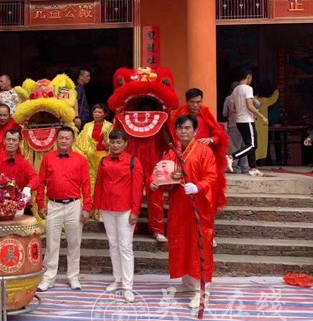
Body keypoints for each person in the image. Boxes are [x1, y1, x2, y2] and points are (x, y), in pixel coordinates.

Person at [150, 115, 219, 309]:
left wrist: (198, 187)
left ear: (195, 131)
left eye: (187, 128)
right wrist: (156, 183)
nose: (183, 131)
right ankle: (188, 282)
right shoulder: (173, 152)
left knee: (198, 245)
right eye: (180, 128)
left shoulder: (205, 151)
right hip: (179, 206)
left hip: (199, 207)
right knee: (181, 243)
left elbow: (212, 177)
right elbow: (163, 174)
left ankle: (202, 289)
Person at [36, 127, 92, 291]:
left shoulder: (81, 160)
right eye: (61, 138)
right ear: (56, 140)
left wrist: (87, 207)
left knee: (74, 242)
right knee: (52, 243)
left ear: (73, 141)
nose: (64, 140)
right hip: (53, 205)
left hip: (74, 205)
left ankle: (73, 277)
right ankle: (48, 277)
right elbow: (41, 182)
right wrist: (40, 203)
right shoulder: (48, 158)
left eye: (67, 138)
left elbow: (86, 185)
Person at [93, 130, 143, 302]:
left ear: (125, 143)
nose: (115, 145)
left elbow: (137, 189)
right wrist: (97, 206)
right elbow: (99, 184)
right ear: (109, 143)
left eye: (119, 142)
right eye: (113, 142)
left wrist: (135, 211)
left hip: (125, 209)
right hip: (107, 208)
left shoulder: (132, 161)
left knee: (126, 247)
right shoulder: (104, 161)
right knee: (113, 244)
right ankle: (118, 279)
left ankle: (128, 286)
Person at [174, 88, 228, 210]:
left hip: (205, 157)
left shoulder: (206, 114)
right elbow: (174, 135)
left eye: (198, 102)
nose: (195, 105)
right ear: (187, 101)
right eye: (192, 102)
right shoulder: (181, 115)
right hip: (187, 157)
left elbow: (219, 134)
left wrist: (211, 140)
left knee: (207, 185)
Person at [0, 129, 39, 213]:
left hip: (18, 206)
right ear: (4, 141)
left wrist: (28, 188)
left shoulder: (23, 162)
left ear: (19, 143)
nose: (11, 142)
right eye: (8, 139)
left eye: (14, 140)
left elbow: (35, 178)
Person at [227, 69, 268, 177]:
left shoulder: (235, 89)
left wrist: (241, 111)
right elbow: (250, 106)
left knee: (249, 144)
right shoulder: (248, 88)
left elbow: (232, 108)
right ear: (248, 77)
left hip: (239, 121)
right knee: (253, 145)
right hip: (247, 121)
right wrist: (262, 117)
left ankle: (253, 168)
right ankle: (231, 157)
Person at [74, 103, 113, 194]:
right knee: (89, 179)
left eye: (100, 112)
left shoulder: (109, 126)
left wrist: (107, 146)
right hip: (89, 157)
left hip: (103, 156)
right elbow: (80, 141)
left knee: (102, 179)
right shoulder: (87, 125)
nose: (97, 114)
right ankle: (89, 203)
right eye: (95, 112)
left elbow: (113, 143)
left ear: (105, 114)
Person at [222, 82, 249, 173]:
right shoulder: (247, 97)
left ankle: (234, 167)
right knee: (244, 147)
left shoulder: (229, 98)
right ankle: (245, 167)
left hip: (234, 125)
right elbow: (257, 106)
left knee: (234, 146)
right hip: (246, 125)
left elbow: (224, 113)